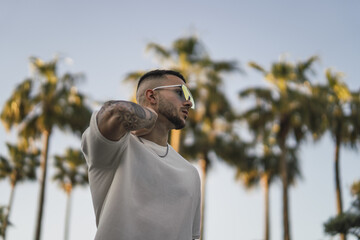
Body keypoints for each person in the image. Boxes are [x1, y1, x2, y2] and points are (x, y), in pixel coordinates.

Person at [81, 69, 201, 240]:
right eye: (181, 93)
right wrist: (150, 117)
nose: (188, 102)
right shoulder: (116, 147)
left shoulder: (190, 173)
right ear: (152, 96)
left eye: (190, 97)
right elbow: (117, 110)